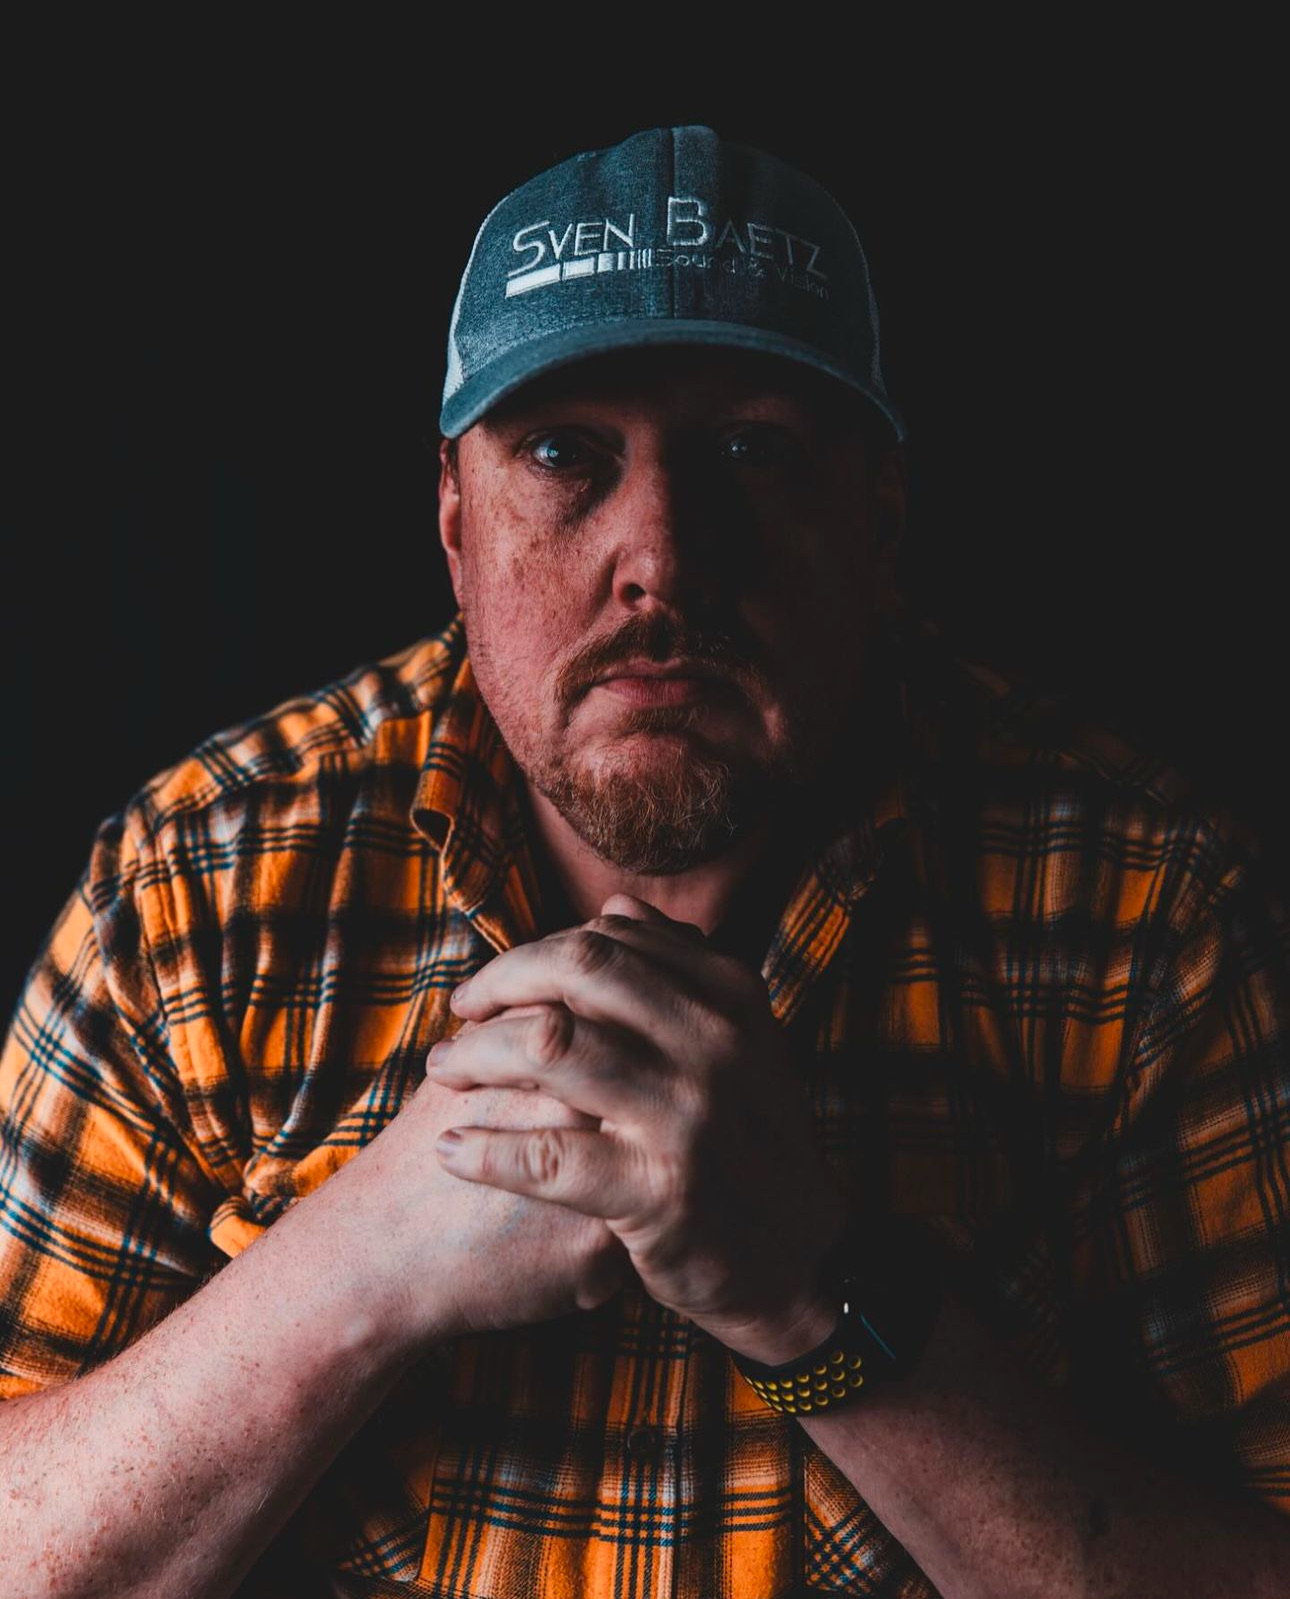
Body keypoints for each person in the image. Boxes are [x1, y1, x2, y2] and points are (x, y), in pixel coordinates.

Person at [2, 122, 1289, 1599]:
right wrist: (352, 1267)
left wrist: (815, 1303)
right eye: (566, 452)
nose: (663, 560)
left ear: (877, 517)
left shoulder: (1143, 918)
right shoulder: (200, 893)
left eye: (753, 450)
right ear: (453, 519)